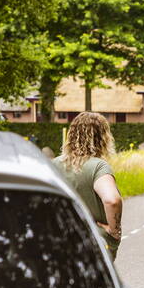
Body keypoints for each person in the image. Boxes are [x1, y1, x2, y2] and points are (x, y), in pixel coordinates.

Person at [54, 111, 123, 260]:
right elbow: (112, 200)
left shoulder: (53, 165)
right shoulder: (98, 166)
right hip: (94, 241)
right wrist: (114, 230)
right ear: (103, 137)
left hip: (60, 238)